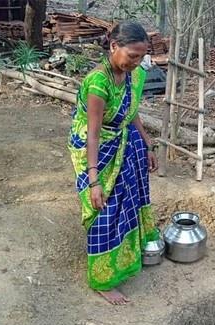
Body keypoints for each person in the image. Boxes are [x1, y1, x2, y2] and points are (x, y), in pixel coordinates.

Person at [68, 21, 158, 305]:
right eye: (132, 56)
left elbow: (130, 112)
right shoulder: (98, 83)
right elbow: (93, 133)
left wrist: (146, 142)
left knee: (127, 200)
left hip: (123, 140)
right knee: (103, 207)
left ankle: (125, 257)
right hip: (94, 149)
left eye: (141, 57)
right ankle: (102, 279)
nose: (136, 62)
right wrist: (94, 180)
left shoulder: (131, 76)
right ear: (114, 46)